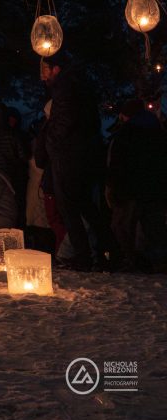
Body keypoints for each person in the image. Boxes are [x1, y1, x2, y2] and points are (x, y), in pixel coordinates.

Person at [40, 52, 118, 271]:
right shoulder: (79, 87)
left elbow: (64, 123)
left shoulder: (66, 89)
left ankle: (84, 256)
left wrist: (51, 144)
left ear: (56, 69)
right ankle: (108, 251)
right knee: (86, 207)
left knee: (70, 209)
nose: (44, 76)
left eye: (47, 70)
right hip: (83, 157)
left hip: (69, 158)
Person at [105, 98, 167, 272]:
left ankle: (130, 260)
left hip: (130, 190)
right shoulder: (159, 132)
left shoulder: (125, 134)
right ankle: (159, 262)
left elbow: (117, 164)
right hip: (155, 189)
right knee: (155, 230)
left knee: (122, 227)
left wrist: (113, 187)